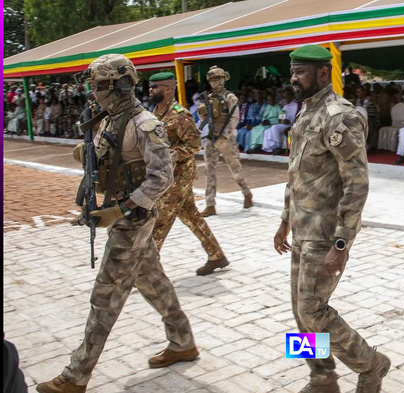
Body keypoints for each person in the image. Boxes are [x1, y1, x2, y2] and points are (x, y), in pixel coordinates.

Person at [36, 54, 198, 393]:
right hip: (125, 215)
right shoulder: (110, 120)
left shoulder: (143, 124)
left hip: (131, 219)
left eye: (98, 86)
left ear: (118, 86)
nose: (94, 93)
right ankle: (183, 341)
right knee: (153, 282)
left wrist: (120, 210)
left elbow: (162, 176)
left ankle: (76, 375)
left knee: (105, 296)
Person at [274, 44, 390, 393]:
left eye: (301, 72)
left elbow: (357, 184)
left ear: (323, 73)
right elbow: (296, 176)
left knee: (312, 310)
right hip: (301, 230)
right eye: (293, 72)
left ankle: (371, 365)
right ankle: (322, 377)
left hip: (325, 234)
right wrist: (283, 221)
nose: (294, 78)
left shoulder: (340, 116)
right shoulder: (305, 113)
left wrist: (342, 242)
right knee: (300, 313)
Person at [148, 72, 230, 276]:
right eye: (150, 87)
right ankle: (216, 255)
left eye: (155, 87)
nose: (151, 90)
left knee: (160, 219)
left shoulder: (180, 114)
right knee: (191, 216)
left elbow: (193, 145)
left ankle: (144, 268)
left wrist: (174, 153)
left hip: (179, 175)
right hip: (165, 174)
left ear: (168, 89)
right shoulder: (155, 112)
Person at [197, 65, 253, 217]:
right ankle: (210, 204)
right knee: (209, 170)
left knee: (235, 168)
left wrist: (224, 135)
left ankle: (246, 192)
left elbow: (235, 118)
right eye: (212, 79)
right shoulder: (208, 98)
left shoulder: (230, 97)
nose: (214, 82)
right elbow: (203, 118)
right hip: (211, 137)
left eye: (217, 79)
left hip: (225, 139)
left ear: (223, 79)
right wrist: (202, 112)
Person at [262, 87, 299, 154]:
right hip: (283, 124)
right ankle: (270, 148)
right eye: (284, 96)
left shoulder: (295, 105)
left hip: (290, 124)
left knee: (274, 127)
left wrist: (288, 121)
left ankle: (279, 147)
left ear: (291, 95)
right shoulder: (285, 106)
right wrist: (281, 120)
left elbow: (294, 118)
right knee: (267, 131)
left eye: (287, 95)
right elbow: (280, 116)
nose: (286, 97)